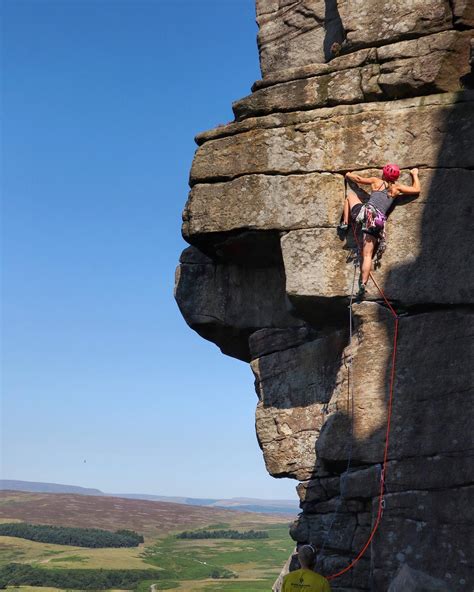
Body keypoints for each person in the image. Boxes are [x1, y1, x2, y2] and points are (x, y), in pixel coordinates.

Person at [338, 164, 420, 298]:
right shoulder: (397, 188)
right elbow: (417, 189)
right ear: (396, 177)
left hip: (365, 214)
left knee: (350, 197)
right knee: (367, 255)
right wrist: (415, 174)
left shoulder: (377, 182)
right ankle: (363, 284)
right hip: (377, 222)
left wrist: (348, 175)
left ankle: (345, 224)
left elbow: (358, 179)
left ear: (384, 174)